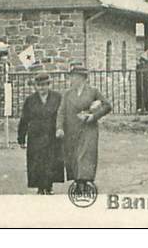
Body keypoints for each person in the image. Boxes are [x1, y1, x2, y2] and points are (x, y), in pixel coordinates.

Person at [60, 63, 112, 195]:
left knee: (86, 155)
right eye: (71, 77)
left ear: (82, 78)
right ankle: (78, 182)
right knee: (73, 156)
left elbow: (107, 106)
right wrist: (59, 127)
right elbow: (61, 112)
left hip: (88, 128)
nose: (71, 80)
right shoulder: (67, 94)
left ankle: (84, 182)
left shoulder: (93, 91)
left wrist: (93, 116)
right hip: (71, 129)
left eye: (74, 77)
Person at [17, 72, 64, 194]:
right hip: (35, 136)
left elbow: (63, 116)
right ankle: (40, 187)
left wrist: (62, 130)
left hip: (51, 135)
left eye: (44, 85)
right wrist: (21, 138)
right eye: (39, 85)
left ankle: (49, 186)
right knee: (37, 162)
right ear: (35, 86)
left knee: (51, 161)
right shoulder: (30, 100)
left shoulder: (57, 98)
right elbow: (24, 120)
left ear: (49, 85)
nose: (42, 88)